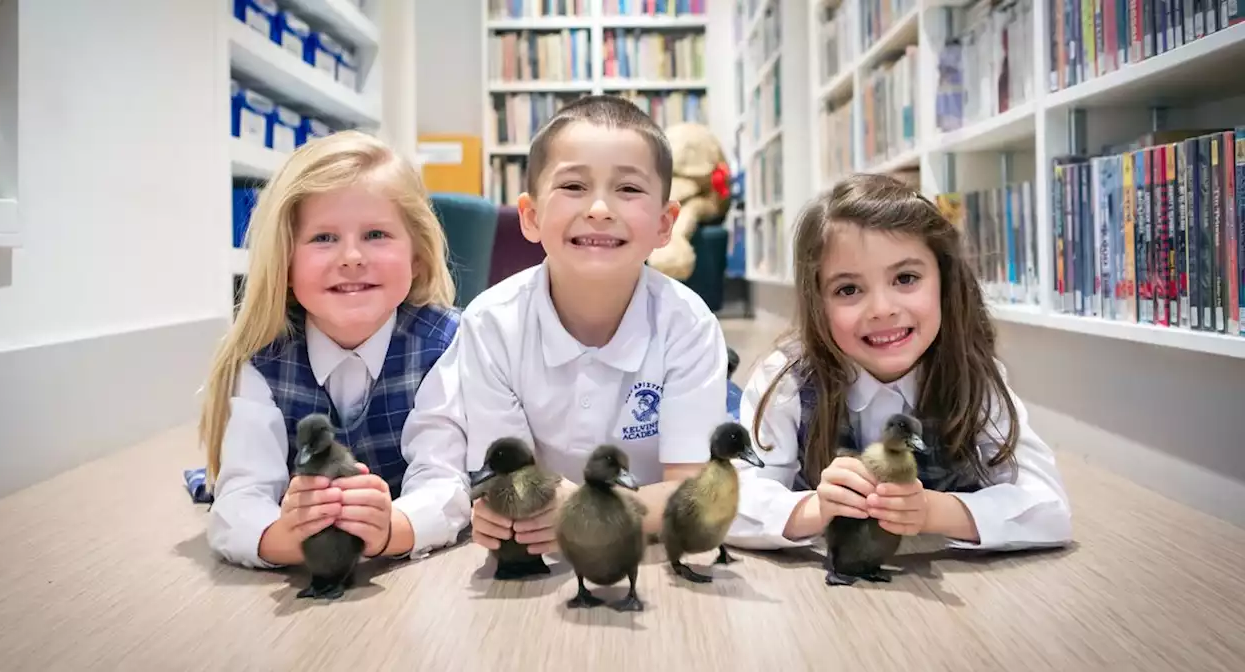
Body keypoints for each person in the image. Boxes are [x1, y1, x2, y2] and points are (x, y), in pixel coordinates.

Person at [397, 94, 729, 559]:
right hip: (545, 557)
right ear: (531, 217)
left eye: (628, 189)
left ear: (664, 223)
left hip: (647, 553)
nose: (598, 208)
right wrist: (502, 512)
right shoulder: (491, 323)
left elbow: (694, 493)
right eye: (573, 186)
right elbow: (509, 478)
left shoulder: (689, 325)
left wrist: (593, 512)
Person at [726, 173, 1072, 552]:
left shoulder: (974, 378)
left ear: (944, 281)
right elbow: (733, 501)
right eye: (848, 289)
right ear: (817, 303)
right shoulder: (787, 380)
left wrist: (931, 511)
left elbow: (1049, 508)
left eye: (906, 278)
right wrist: (815, 508)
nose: (882, 310)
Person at [197, 130, 460, 569]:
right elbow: (239, 502)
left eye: (376, 234)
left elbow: (444, 480)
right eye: (323, 238)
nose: (352, 257)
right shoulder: (264, 359)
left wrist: (393, 527)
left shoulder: (446, 344)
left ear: (416, 256)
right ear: (284, 261)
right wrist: (286, 535)